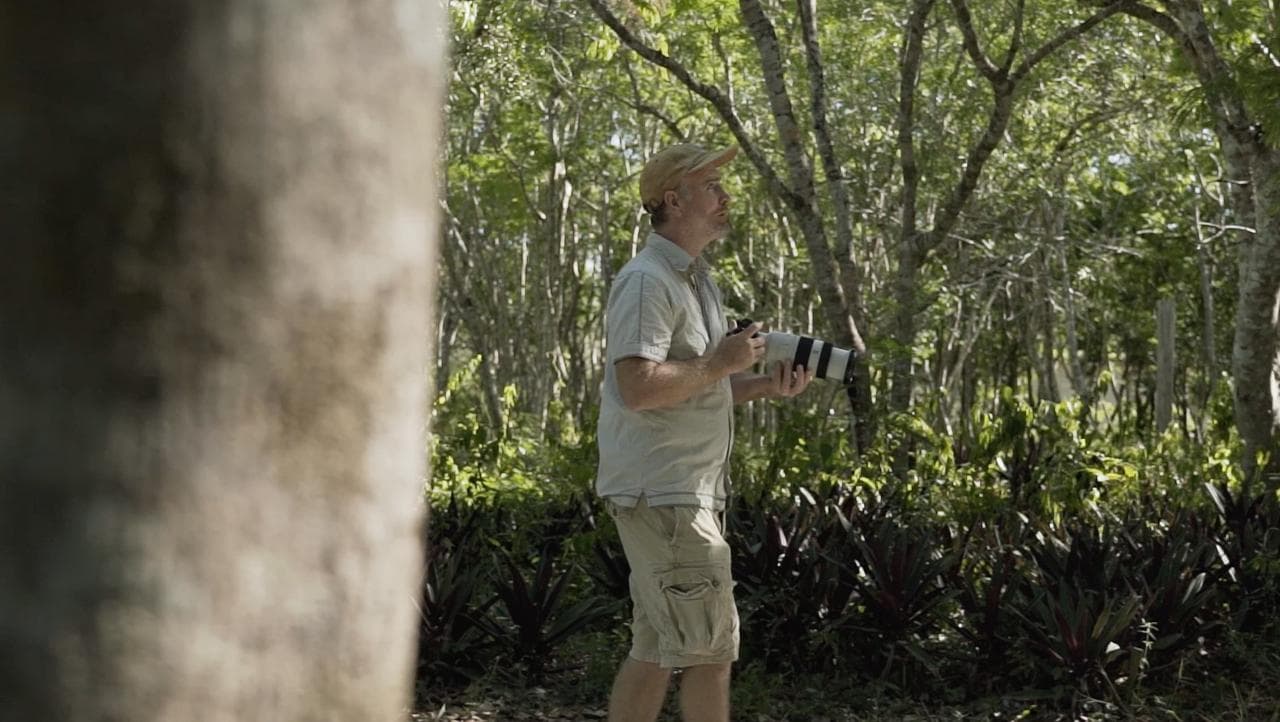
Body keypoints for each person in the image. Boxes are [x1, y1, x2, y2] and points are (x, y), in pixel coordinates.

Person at [596, 143, 815, 722]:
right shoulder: (647, 282)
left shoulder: (696, 281)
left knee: (656, 651)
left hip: (676, 495)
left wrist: (762, 384)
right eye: (712, 185)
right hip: (666, 496)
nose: (726, 196)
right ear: (674, 199)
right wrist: (722, 362)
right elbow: (638, 387)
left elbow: (691, 386)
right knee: (709, 653)